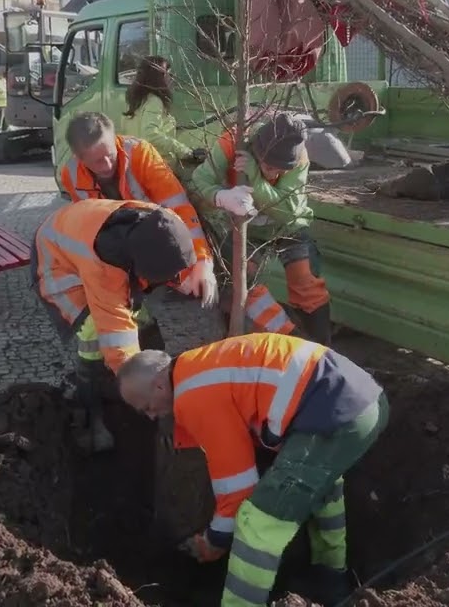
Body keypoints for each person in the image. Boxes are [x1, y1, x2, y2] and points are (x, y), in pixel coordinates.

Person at [118, 333, 388, 607]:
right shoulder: (198, 365)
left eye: (147, 407)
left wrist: (213, 542)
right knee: (323, 489)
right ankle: (329, 580)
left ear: (160, 387)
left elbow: (237, 488)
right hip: (361, 401)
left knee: (257, 520)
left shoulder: (192, 396)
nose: (151, 416)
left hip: (337, 413)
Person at [32, 198, 196, 452]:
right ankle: (92, 413)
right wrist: (141, 388)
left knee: (142, 319)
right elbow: (115, 330)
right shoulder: (105, 265)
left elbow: (181, 252)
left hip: (79, 233)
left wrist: (202, 267)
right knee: (94, 336)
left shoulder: (163, 224)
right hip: (57, 260)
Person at [192, 112, 333, 344]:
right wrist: (220, 197)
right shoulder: (232, 141)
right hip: (247, 230)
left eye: (281, 171)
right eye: (269, 167)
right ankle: (291, 341)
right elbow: (200, 180)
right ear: (256, 152)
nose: (275, 174)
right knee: (240, 283)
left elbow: (288, 210)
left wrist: (256, 179)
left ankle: (324, 352)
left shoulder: (298, 156)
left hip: (288, 228)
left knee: (307, 285)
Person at [60, 111, 217, 308]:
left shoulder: (141, 154)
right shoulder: (71, 176)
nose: (108, 165)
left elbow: (179, 208)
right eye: (98, 161)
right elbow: (89, 233)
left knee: (195, 284)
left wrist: (202, 261)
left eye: (110, 155)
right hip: (119, 244)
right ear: (80, 158)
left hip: (159, 234)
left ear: (115, 138)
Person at [122, 56, 207, 178]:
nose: (171, 79)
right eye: (168, 75)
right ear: (158, 77)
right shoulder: (154, 102)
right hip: (157, 169)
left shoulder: (135, 101)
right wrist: (185, 152)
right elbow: (150, 135)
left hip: (138, 167)